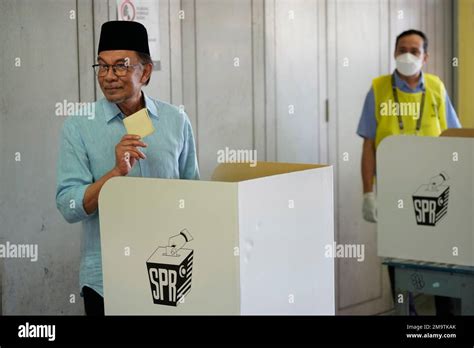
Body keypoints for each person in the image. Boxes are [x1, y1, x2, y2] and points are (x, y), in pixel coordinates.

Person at [56, 21, 199, 315]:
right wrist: (114, 174)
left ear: (144, 72)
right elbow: (68, 205)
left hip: (168, 275)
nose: (108, 76)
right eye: (102, 67)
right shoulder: (79, 127)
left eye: (120, 66)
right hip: (107, 281)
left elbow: (194, 195)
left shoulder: (176, 121)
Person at [356, 29, 461, 315]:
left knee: (441, 265)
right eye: (402, 48)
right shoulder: (378, 90)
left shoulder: (437, 88)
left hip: (436, 195)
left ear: (425, 57)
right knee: (399, 267)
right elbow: (369, 145)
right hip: (396, 196)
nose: (407, 55)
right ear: (393, 53)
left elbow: (455, 136)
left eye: (414, 50)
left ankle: (445, 325)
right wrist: (368, 193)